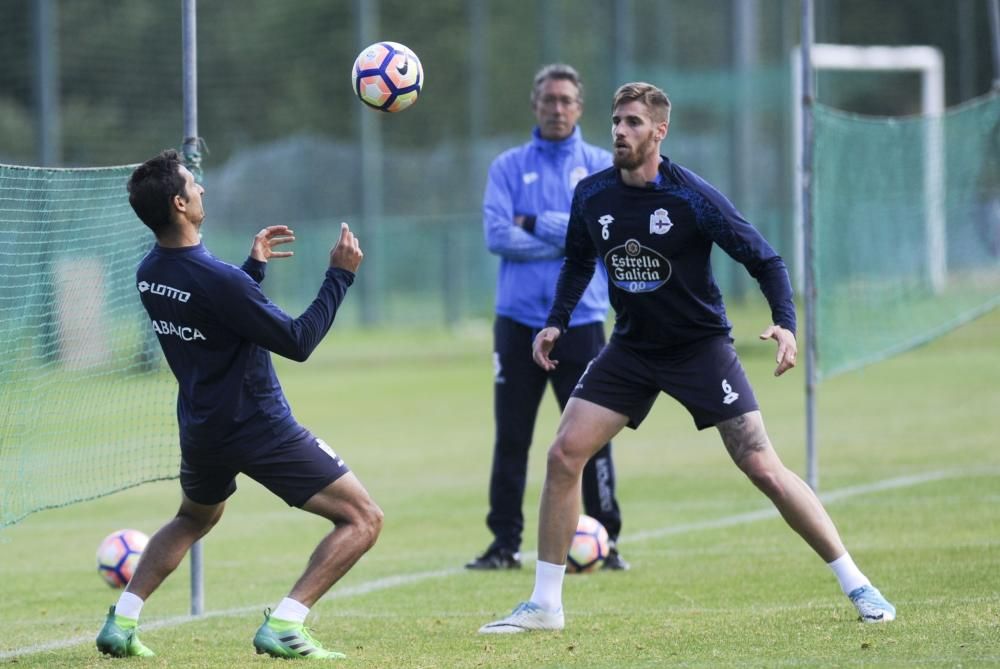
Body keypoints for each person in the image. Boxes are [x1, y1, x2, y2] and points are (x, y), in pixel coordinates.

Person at [479, 83, 895, 633]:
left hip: (700, 349)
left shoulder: (691, 196)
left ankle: (859, 585)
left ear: (659, 132)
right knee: (563, 455)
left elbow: (766, 260)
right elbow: (579, 260)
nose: (620, 132)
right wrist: (556, 320)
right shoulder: (592, 194)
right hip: (630, 348)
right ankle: (546, 605)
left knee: (762, 466)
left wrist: (786, 325)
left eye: (632, 122)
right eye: (616, 121)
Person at [96, 149, 383, 659]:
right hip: (257, 426)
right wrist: (340, 275)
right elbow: (297, 341)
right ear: (180, 204)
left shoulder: (149, 271)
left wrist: (252, 268)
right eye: (194, 184)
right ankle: (287, 624)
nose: (203, 189)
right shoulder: (218, 279)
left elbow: (216, 318)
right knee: (363, 519)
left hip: (202, 426)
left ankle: (121, 621)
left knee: (192, 518)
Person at [467, 64, 628, 571]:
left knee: (592, 437)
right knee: (512, 437)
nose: (557, 109)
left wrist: (533, 222)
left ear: (579, 108)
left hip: (581, 323)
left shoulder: (602, 165)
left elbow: (599, 236)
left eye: (566, 101)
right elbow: (497, 236)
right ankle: (503, 545)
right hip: (517, 322)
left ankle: (607, 539)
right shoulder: (508, 167)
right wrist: (569, 235)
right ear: (535, 105)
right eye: (549, 100)